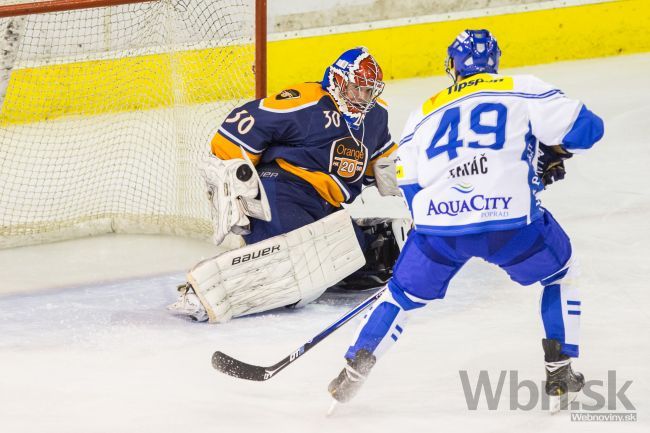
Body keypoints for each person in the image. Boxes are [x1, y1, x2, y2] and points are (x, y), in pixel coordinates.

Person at [328, 30, 604, 405]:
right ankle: (559, 373)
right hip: (512, 224)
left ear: (453, 67)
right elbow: (590, 129)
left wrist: (434, 220)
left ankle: (354, 370)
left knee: (400, 297)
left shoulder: (424, 112)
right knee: (562, 274)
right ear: (494, 63)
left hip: (439, 228)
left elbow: (405, 180)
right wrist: (552, 152)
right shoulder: (521, 88)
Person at [169, 47, 405, 323]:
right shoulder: (306, 102)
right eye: (357, 89)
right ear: (339, 82)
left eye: (369, 91)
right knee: (291, 266)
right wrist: (233, 182)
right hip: (282, 190)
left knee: (369, 262)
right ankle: (202, 293)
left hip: (326, 206)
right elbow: (236, 130)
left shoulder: (376, 116)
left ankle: (364, 231)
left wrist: (417, 185)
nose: (363, 98)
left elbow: (384, 162)